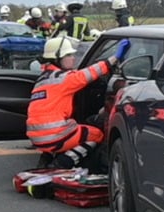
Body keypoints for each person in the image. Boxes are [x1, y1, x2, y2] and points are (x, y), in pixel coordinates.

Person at [27, 36, 131, 170]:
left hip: (37, 137)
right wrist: (114, 58)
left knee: (76, 126)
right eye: (68, 55)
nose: (73, 58)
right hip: (53, 135)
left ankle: (48, 158)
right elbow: (88, 74)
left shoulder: (44, 79)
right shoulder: (64, 79)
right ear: (57, 58)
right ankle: (62, 163)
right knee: (96, 135)